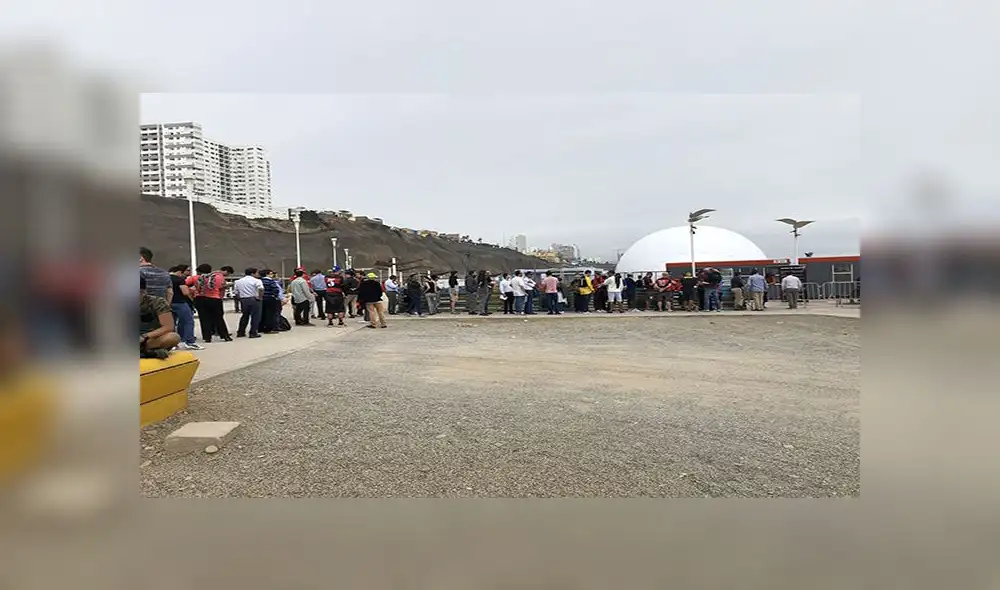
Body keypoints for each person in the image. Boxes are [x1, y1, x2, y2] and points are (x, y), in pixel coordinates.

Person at [189, 263, 233, 342]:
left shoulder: (195, 278)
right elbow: (220, 287)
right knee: (219, 318)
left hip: (200, 298)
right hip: (214, 299)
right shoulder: (218, 277)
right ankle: (225, 336)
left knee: (204, 319)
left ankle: (207, 337)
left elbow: (185, 283)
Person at [140, 275, 181, 358]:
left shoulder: (158, 302)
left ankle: (147, 351)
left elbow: (168, 327)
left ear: (143, 291)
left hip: (149, 340)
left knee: (173, 337)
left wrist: (144, 336)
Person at [168, 265, 201, 350]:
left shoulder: (165, 278)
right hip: (180, 302)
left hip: (168, 303)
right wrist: (191, 291)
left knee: (171, 323)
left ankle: (172, 343)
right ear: (179, 272)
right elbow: (185, 292)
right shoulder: (179, 279)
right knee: (188, 321)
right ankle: (189, 341)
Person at [233, 267, 264, 338]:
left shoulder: (238, 281)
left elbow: (236, 292)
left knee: (245, 316)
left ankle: (241, 331)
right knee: (256, 316)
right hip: (254, 299)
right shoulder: (257, 281)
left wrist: (240, 298)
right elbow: (261, 289)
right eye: (257, 273)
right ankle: (253, 332)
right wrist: (260, 297)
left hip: (244, 299)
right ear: (253, 273)